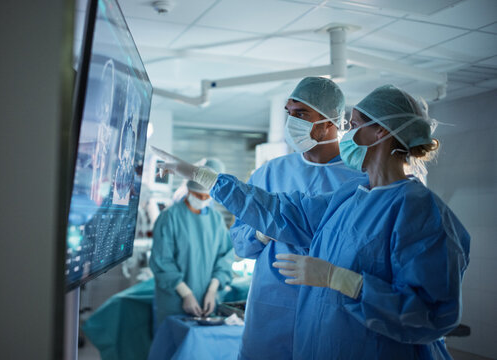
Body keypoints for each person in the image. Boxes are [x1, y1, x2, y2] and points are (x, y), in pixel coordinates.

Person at [152, 84, 470, 359]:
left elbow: (431, 314)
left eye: (355, 123)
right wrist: (199, 175)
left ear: (380, 132)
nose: (348, 132)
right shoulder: (349, 196)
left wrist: (342, 280)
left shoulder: (419, 209)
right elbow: (279, 209)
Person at [231, 77, 364, 360]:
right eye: (289, 113)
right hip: (270, 308)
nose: (291, 121)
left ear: (330, 122)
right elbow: (240, 242)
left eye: (301, 114)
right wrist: (259, 233)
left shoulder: (359, 179)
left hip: (330, 307)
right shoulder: (269, 174)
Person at [149, 158, 234, 329]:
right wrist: (186, 293)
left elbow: (225, 257)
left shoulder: (216, 219)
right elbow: (162, 262)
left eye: (207, 196)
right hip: (174, 302)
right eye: (198, 195)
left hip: (207, 303)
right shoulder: (169, 217)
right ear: (188, 189)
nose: (203, 199)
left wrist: (212, 290)